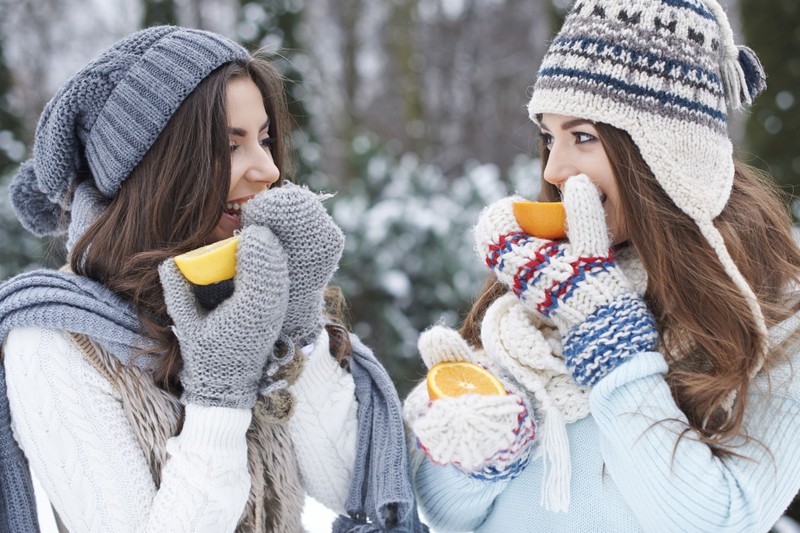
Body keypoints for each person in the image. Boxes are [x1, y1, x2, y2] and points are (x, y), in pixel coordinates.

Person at [0, 26, 426, 532]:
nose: (267, 169)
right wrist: (219, 393)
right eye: (231, 146)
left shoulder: (246, 285)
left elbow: (347, 488)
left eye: (265, 139)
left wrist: (298, 320)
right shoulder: (56, 340)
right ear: (155, 169)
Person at [403, 0, 800, 531]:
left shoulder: (777, 317)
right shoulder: (540, 288)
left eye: (582, 137)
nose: (554, 167)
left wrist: (609, 338)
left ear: (665, 154)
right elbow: (446, 514)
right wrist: (487, 438)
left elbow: (719, 518)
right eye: (548, 136)